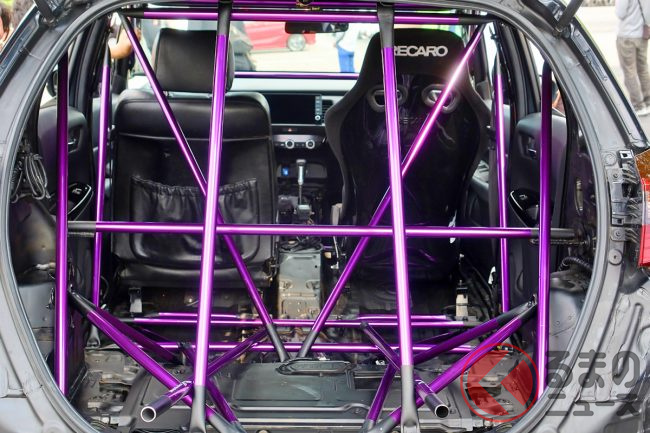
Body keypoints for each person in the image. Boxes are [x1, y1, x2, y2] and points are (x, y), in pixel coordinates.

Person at [616, 0, 650, 116]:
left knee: (629, 71)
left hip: (626, 35)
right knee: (643, 69)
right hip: (642, 35)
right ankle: (648, 101)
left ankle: (638, 105)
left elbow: (620, 13)